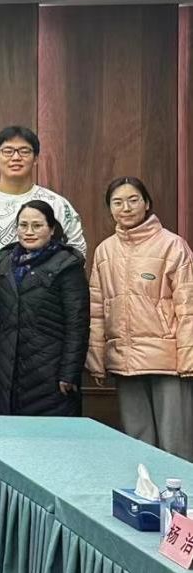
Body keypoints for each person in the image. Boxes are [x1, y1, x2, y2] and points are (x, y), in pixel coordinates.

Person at [87, 177, 193, 460]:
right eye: (118, 202)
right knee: (137, 444)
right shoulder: (105, 251)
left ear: (146, 204)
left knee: (175, 445)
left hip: (168, 362)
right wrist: (97, 359)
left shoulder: (173, 245)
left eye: (133, 200)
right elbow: (96, 308)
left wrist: (189, 357)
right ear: (110, 208)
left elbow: (188, 306)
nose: (126, 208)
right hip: (124, 361)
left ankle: (181, 491)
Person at [0, 200, 90, 416]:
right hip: (8, 370)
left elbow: (77, 323)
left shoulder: (67, 264)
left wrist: (69, 372)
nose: (29, 232)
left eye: (37, 226)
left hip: (50, 372)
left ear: (51, 229)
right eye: (23, 225)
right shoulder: (4, 261)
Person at [0, 126, 87, 273]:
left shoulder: (57, 204)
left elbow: (78, 252)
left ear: (36, 158)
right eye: (8, 151)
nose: (16, 157)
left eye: (24, 151)